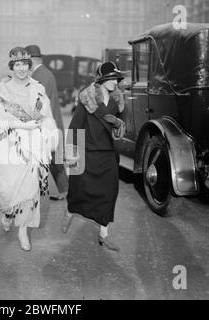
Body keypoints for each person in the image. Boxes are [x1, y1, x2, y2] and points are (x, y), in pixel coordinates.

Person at [0, 47, 58, 252]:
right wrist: (21, 125)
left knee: (30, 191)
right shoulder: (2, 90)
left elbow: (46, 115)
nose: (21, 68)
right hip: (9, 146)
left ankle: (23, 231)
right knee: (8, 190)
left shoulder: (38, 88)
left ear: (29, 66)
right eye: (17, 64)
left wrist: (48, 134)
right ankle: (8, 212)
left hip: (33, 146)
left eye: (25, 64)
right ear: (12, 67)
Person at [62, 61, 126, 252]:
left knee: (109, 193)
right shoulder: (87, 99)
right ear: (102, 79)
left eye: (117, 79)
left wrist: (117, 123)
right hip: (87, 153)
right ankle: (69, 212)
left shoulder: (117, 101)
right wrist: (71, 154)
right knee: (79, 190)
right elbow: (74, 128)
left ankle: (103, 234)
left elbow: (123, 129)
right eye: (112, 79)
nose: (116, 82)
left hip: (108, 154)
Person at [25, 45, 69, 201]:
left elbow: (37, 104)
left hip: (45, 124)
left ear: (31, 58)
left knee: (44, 157)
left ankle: (30, 194)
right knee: (53, 158)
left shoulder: (39, 76)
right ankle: (66, 190)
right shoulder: (45, 73)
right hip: (51, 122)